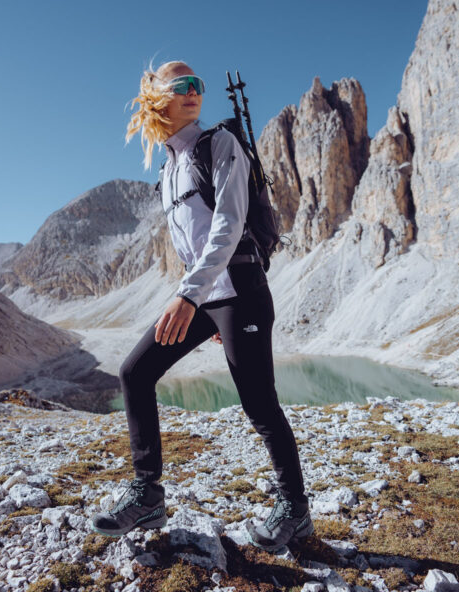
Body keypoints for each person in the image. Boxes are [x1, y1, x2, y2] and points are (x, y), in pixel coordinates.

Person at [89, 60, 312, 552]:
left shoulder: (220, 144)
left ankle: (295, 510)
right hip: (206, 296)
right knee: (135, 373)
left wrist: (189, 297)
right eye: (181, 85)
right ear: (156, 98)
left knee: (259, 404)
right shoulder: (169, 169)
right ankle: (148, 494)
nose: (194, 92)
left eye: (198, 85)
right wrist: (197, 299)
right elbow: (191, 246)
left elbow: (228, 226)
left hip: (241, 293)